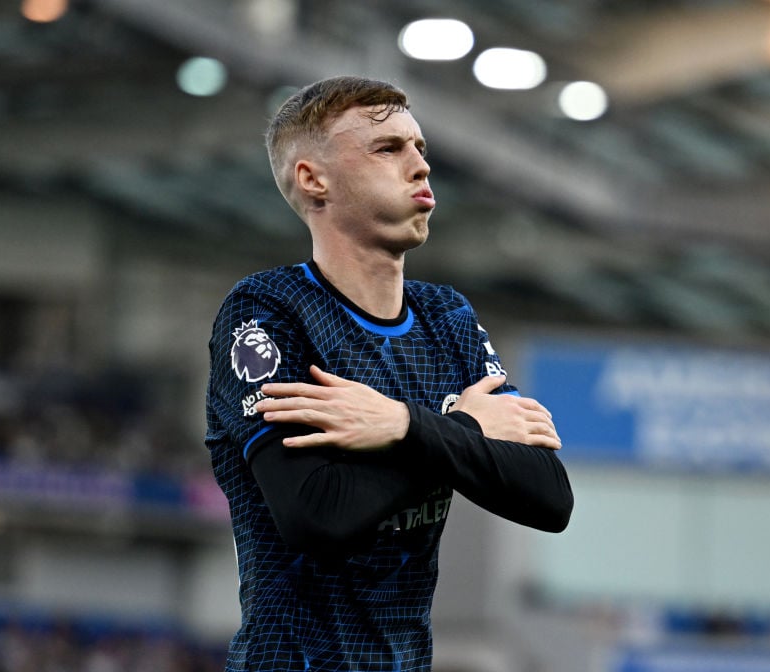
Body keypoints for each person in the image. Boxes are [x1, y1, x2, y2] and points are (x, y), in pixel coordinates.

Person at [205, 75, 573, 672]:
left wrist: (404, 426)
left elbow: (549, 495)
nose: (420, 165)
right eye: (387, 149)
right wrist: (458, 428)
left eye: (419, 147)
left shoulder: (445, 317)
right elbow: (317, 514)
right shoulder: (269, 314)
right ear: (313, 179)